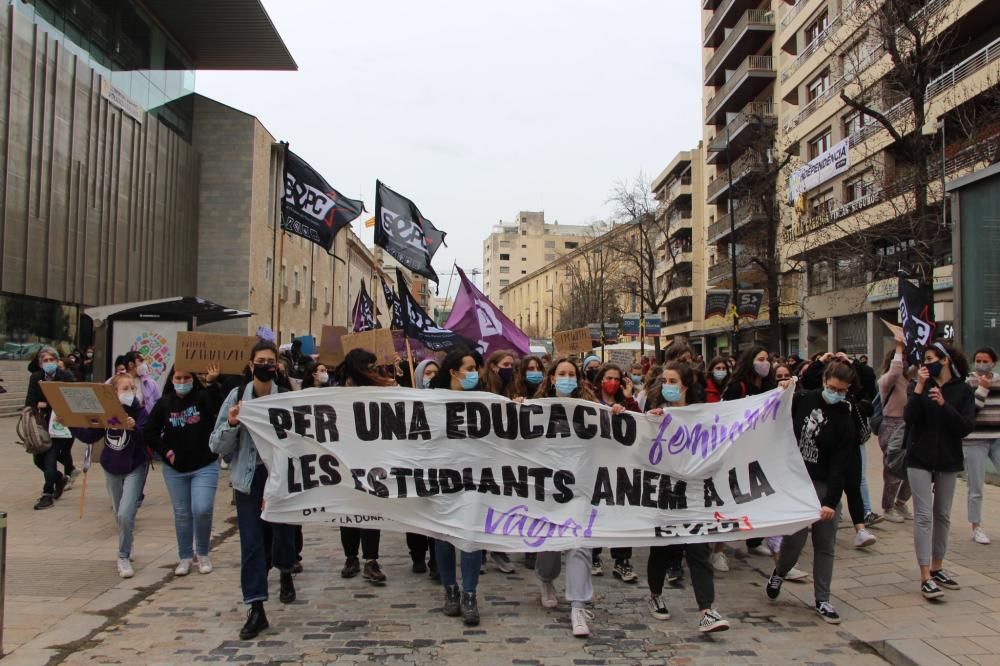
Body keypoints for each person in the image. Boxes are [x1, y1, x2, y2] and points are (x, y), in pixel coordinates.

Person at [210, 340, 297, 639]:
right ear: (251, 365)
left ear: (277, 366)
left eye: (270, 361)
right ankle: (257, 607)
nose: (265, 366)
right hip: (248, 482)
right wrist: (232, 424)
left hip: (279, 481)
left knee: (284, 536)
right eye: (260, 360)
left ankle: (286, 571)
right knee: (252, 544)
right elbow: (216, 444)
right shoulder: (236, 397)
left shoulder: (285, 398)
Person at [766, 361, 857, 624]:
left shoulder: (844, 416)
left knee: (825, 545)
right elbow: (775, 416)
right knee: (794, 543)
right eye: (832, 388)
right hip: (797, 482)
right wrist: (782, 390)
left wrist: (831, 501)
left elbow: (841, 463)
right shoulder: (804, 399)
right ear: (824, 380)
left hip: (824, 485)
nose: (836, 394)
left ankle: (822, 599)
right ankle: (780, 572)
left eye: (841, 390)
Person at [643, 362, 730, 633]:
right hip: (666, 493)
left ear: (685, 385)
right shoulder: (656, 412)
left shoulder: (700, 414)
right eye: (664, 380)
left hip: (694, 493)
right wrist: (651, 421)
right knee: (663, 549)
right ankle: (655, 595)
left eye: (672, 380)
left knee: (698, 551)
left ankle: (707, 610)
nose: (667, 385)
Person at [533, 357, 606, 637]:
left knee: (579, 544)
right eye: (561, 374)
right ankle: (546, 578)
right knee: (550, 544)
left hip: (581, 487)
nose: (566, 378)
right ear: (551, 378)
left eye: (571, 374)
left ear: (578, 379)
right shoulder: (536, 409)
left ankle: (578, 605)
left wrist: (618, 412)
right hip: (547, 489)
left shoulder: (590, 409)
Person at [905, 341, 975, 599]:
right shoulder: (920, 386)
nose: (927, 362)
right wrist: (920, 387)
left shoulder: (963, 390)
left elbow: (965, 427)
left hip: (948, 458)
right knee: (923, 516)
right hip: (919, 457)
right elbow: (909, 418)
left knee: (942, 514)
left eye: (931, 357)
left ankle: (937, 566)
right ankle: (924, 575)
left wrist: (944, 405)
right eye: (925, 359)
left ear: (945, 360)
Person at [144, 365, 220, 577]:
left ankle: (202, 553)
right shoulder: (165, 403)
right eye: (178, 377)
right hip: (175, 469)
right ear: (172, 379)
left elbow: (218, 406)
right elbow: (149, 432)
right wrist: (165, 451)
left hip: (204, 464)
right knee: (182, 513)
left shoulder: (202, 397)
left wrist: (213, 382)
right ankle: (185, 556)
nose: (182, 381)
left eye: (187, 377)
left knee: (202, 509)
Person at [72, 373, 150, 578]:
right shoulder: (105, 412)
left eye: (132, 388)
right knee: (118, 513)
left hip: (135, 466)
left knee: (126, 512)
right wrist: (70, 423)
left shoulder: (140, 411)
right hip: (111, 467)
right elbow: (91, 434)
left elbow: (148, 436)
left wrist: (134, 428)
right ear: (114, 393)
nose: (130, 392)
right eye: (124, 389)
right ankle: (128, 539)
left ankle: (122, 556)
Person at [430, 349, 486, 626]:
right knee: (443, 536)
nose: (475, 373)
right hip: (442, 476)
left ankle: (469, 594)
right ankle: (450, 590)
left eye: (476, 368)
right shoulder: (431, 401)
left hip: (475, 478)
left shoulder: (484, 400)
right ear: (453, 371)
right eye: (470, 368)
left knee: (470, 536)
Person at [331, 349, 393, 584]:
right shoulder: (337, 393)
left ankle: (371, 560)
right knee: (348, 510)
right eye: (369, 366)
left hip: (371, 460)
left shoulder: (379, 391)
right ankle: (350, 557)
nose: (373, 370)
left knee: (370, 509)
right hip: (343, 460)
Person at [722, 345, 776, 557]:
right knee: (736, 495)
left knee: (760, 495)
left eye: (766, 359)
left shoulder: (770, 387)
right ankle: (722, 544)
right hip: (739, 450)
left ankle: (755, 540)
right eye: (760, 359)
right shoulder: (738, 387)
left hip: (761, 448)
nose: (765, 363)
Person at [590, 363, 640, 583]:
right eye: (608, 378)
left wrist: (628, 400)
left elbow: (640, 423)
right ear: (600, 379)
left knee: (622, 511)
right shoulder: (589, 401)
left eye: (617, 379)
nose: (612, 382)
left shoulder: (626, 402)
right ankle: (593, 555)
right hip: (594, 464)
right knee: (594, 511)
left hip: (620, 464)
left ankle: (622, 561)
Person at [24, 346, 78, 510]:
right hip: (42, 424)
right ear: (40, 363)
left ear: (57, 361)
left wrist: (47, 404)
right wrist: (42, 405)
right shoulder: (36, 378)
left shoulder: (66, 376)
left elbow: (72, 398)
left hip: (61, 425)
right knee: (38, 459)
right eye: (45, 360)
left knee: (50, 457)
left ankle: (47, 493)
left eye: (51, 360)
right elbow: (30, 402)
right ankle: (59, 478)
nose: (48, 363)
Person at [405, 358, 440, 578]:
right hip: (414, 464)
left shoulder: (446, 400)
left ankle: (437, 560)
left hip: (439, 465)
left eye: (436, 373)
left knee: (437, 514)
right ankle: (417, 555)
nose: (432, 377)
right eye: (428, 373)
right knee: (416, 514)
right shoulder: (408, 401)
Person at [965, 347, 1000, 544]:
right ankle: (976, 527)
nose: (980, 364)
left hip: (997, 438)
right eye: (977, 360)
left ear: (993, 363)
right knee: (975, 486)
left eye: (985, 360)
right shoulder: (969, 382)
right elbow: (970, 411)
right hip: (975, 438)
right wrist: (982, 389)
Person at [878, 335, 914, 523]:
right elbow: (895, 371)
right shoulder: (887, 380)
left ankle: (901, 501)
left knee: (914, 467)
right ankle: (888, 506)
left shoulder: (911, 381)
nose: (907, 363)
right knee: (893, 468)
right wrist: (899, 349)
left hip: (909, 424)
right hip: (891, 424)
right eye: (903, 358)